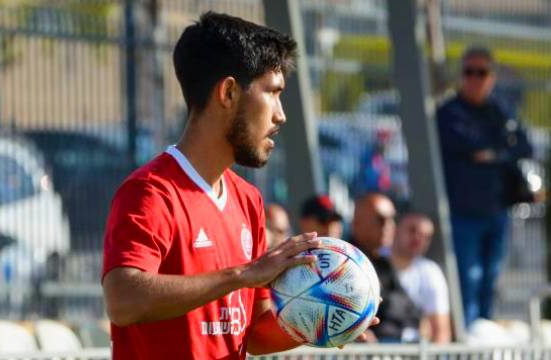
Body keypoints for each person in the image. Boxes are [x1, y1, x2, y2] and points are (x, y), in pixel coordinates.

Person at [101, 12, 376, 359]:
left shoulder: (247, 200)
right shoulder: (151, 192)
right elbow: (123, 301)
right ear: (228, 92)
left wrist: (331, 316)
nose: (280, 114)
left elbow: (254, 335)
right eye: (273, 93)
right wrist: (243, 275)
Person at [436, 45, 535, 326]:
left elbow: (524, 146)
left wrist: (491, 154)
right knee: (467, 280)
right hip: (462, 212)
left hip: (497, 210)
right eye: (469, 72)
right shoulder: (449, 112)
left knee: (490, 280)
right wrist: (498, 150)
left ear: (492, 76)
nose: (475, 78)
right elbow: (470, 145)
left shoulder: (501, 111)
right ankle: (468, 342)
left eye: (482, 72)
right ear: (461, 76)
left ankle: (484, 338)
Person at [349, 193, 420, 343]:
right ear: (357, 222)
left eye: (392, 219)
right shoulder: (345, 262)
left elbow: (412, 312)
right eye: (381, 219)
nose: (389, 226)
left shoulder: (384, 263)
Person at [391, 213, 451, 343]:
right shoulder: (371, 262)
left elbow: (441, 331)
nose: (418, 238)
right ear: (396, 230)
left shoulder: (431, 272)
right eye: (412, 230)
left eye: (426, 236)